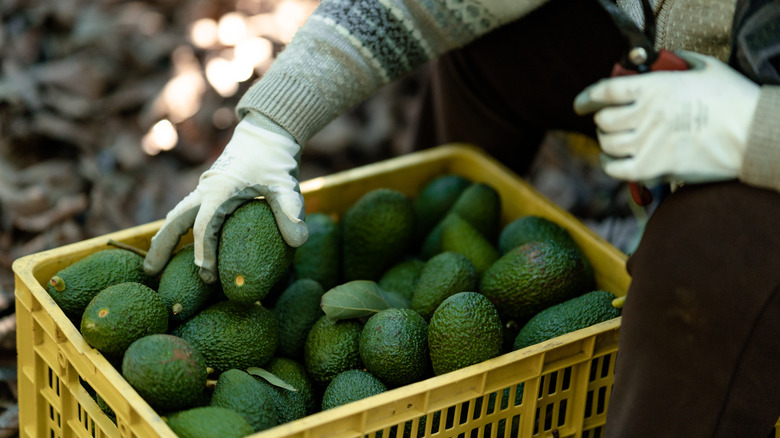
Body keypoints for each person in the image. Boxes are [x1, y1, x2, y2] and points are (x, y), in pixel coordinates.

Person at [143, 0, 780, 436]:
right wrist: (275, 125)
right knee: (495, 44)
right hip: (693, 68)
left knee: (708, 254)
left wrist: (753, 131)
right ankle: (433, 221)